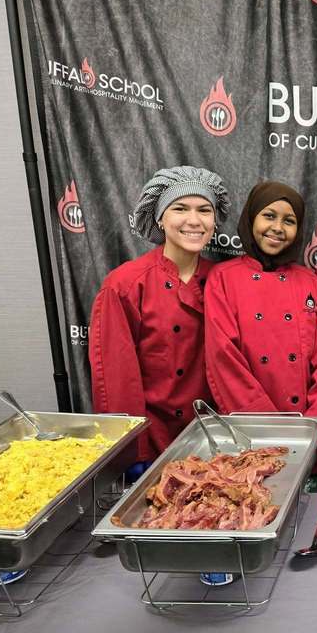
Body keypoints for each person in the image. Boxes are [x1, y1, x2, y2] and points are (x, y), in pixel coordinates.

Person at [204, 181, 317, 477]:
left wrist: (314, 430)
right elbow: (224, 360)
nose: (278, 227)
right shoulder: (223, 279)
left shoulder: (311, 283)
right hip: (251, 440)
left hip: (310, 440)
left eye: (289, 221)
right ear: (251, 217)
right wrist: (270, 431)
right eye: (269, 216)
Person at [90, 165, 229, 465]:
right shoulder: (125, 284)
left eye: (204, 210)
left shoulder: (224, 280)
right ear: (159, 218)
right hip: (153, 439)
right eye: (180, 208)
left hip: (214, 440)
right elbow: (116, 377)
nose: (194, 220)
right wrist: (129, 450)